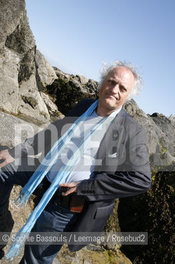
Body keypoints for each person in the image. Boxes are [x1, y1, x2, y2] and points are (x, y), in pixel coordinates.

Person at [0, 61, 151, 264]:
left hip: (67, 202)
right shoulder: (83, 106)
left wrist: (87, 187)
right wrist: (15, 152)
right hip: (43, 175)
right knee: (3, 166)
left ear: (128, 95)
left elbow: (141, 179)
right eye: (111, 82)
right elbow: (51, 135)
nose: (114, 90)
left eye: (122, 88)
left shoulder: (132, 131)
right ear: (102, 83)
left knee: (35, 259)